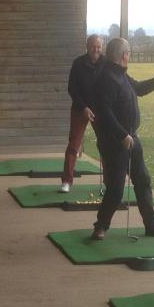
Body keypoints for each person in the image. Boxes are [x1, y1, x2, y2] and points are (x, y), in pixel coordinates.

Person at [90, 37, 154, 241]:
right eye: (128, 54)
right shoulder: (106, 78)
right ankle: (100, 226)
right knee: (116, 188)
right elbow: (104, 112)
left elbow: (141, 89)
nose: (129, 57)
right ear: (123, 55)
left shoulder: (122, 75)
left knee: (143, 181)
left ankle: (152, 225)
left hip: (132, 138)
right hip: (116, 142)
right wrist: (122, 135)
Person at [61, 34, 104, 192]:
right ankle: (67, 181)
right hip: (80, 109)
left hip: (100, 110)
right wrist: (84, 107)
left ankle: (109, 182)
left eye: (99, 46)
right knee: (74, 144)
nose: (96, 49)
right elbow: (72, 88)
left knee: (105, 145)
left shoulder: (106, 63)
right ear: (87, 46)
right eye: (93, 46)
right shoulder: (78, 63)